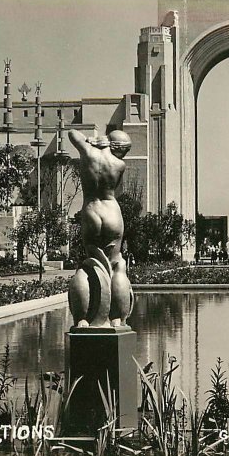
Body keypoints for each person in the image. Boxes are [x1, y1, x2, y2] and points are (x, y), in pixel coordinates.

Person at [68, 129, 135, 327]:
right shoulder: (119, 164)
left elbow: (72, 133)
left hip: (91, 211)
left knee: (88, 265)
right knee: (117, 265)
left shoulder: (87, 152)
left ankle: (83, 319)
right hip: (111, 211)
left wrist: (94, 141)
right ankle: (117, 318)